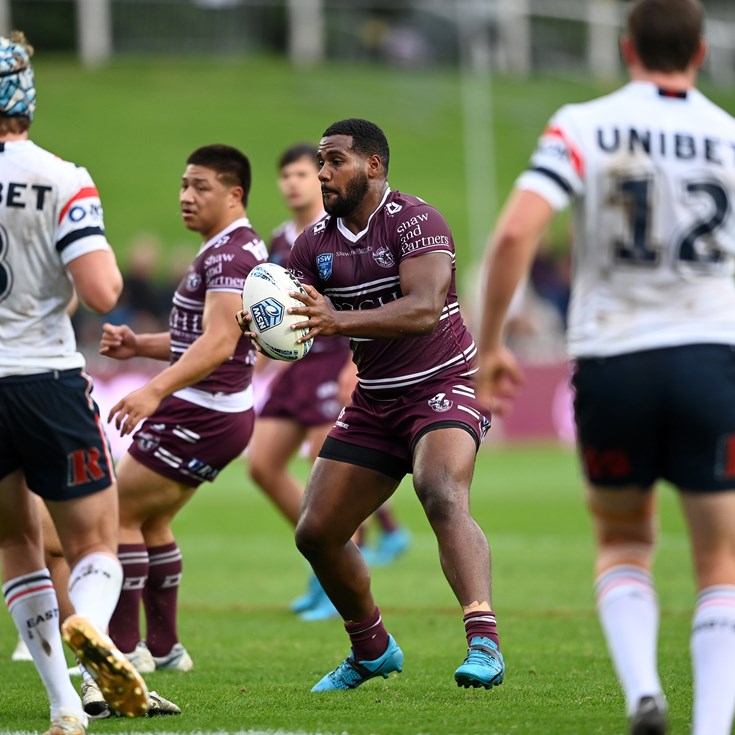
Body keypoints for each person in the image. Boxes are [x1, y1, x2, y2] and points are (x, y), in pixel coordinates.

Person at [475, 2, 735, 733]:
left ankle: (642, 691)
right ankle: (712, 727)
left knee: (622, 541)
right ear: (700, 51)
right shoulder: (728, 135)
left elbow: (516, 230)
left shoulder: (582, 123)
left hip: (612, 357)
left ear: (625, 48)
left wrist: (491, 342)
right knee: (720, 558)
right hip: (709, 355)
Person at [238, 118, 505, 692]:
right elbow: (287, 305)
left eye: (334, 161)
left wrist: (336, 320)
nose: (322, 173)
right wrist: (260, 321)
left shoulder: (415, 220)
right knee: (315, 532)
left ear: (373, 166)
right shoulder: (315, 241)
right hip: (376, 400)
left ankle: (483, 639)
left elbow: (423, 309)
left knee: (439, 489)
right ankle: (371, 647)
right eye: (319, 161)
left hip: (444, 382)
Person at [0, 31, 150, 734]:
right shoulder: (62, 177)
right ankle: (90, 622)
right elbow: (100, 290)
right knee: (96, 541)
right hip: (46, 378)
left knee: (15, 544)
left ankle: (64, 702)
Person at [100, 144, 266, 674]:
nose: (187, 197)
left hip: (200, 410)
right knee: (153, 521)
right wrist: (139, 346)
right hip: (219, 412)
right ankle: (167, 648)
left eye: (201, 187)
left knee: (117, 514)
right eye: (183, 186)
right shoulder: (233, 247)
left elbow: (218, 343)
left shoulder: (228, 256)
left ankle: (125, 651)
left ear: (234, 194)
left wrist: (152, 390)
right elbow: (202, 336)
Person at [249, 142, 410, 621]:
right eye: (287, 176)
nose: (295, 183)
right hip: (297, 367)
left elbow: (359, 302)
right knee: (262, 465)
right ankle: (326, 556)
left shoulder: (340, 232)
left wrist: (353, 366)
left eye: (303, 173)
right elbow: (273, 311)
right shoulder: (281, 242)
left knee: (332, 476)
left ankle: (333, 579)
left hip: (338, 358)